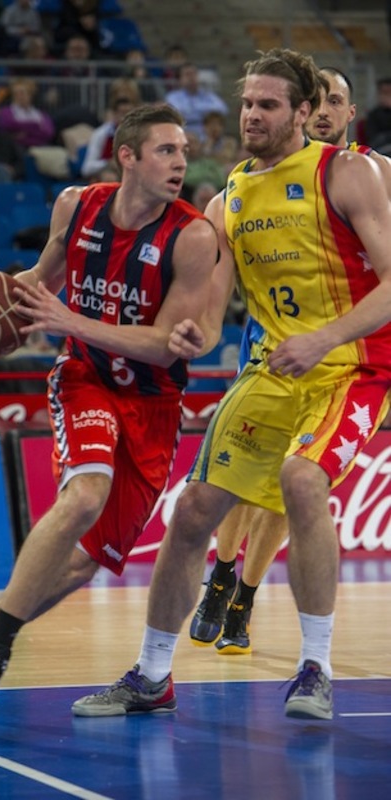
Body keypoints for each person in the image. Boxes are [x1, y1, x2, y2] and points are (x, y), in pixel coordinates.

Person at [71, 48, 391, 721]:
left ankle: (315, 669)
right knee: (192, 510)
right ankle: (152, 675)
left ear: (303, 113)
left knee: (301, 480)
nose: (251, 116)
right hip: (276, 365)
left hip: (356, 363)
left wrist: (325, 338)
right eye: (247, 103)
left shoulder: (347, 172)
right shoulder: (226, 200)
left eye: (268, 105)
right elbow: (211, 316)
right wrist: (190, 335)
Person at [0, 103, 218, 719]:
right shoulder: (76, 206)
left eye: (184, 151)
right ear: (127, 156)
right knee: (84, 496)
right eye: (166, 150)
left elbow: (163, 344)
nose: (181, 163)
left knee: (87, 561)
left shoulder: (192, 236)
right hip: (85, 379)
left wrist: (68, 319)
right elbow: (40, 283)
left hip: (153, 403)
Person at [189, 64, 391, 658]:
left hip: (345, 346)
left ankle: (245, 597)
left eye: (335, 100)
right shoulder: (247, 182)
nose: (324, 110)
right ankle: (222, 572)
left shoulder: (368, 172)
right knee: (241, 480)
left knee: (291, 482)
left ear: (349, 113)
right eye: (316, 99)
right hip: (269, 339)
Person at [165, 62, 229, 140]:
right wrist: (205, 114)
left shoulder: (207, 94)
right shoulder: (173, 97)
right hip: (183, 135)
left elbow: (223, 110)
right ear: (180, 79)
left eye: (194, 74)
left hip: (206, 136)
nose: (192, 77)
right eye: (187, 74)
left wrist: (191, 111)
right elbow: (176, 114)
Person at [0, 77, 55, 151]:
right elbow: (8, 125)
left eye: (22, 93)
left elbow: (49, 132)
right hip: (18, 148)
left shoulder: (40, 114)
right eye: (15, 93)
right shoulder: (6, 112)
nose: (18, 96)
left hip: (41, 147)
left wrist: (25, 132)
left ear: (30, 94)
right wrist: (36, 127)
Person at [364, 77, 391, 156]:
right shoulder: (373, 115)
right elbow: (374, 140)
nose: (387, 96)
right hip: (382, 151)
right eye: (384, 93)